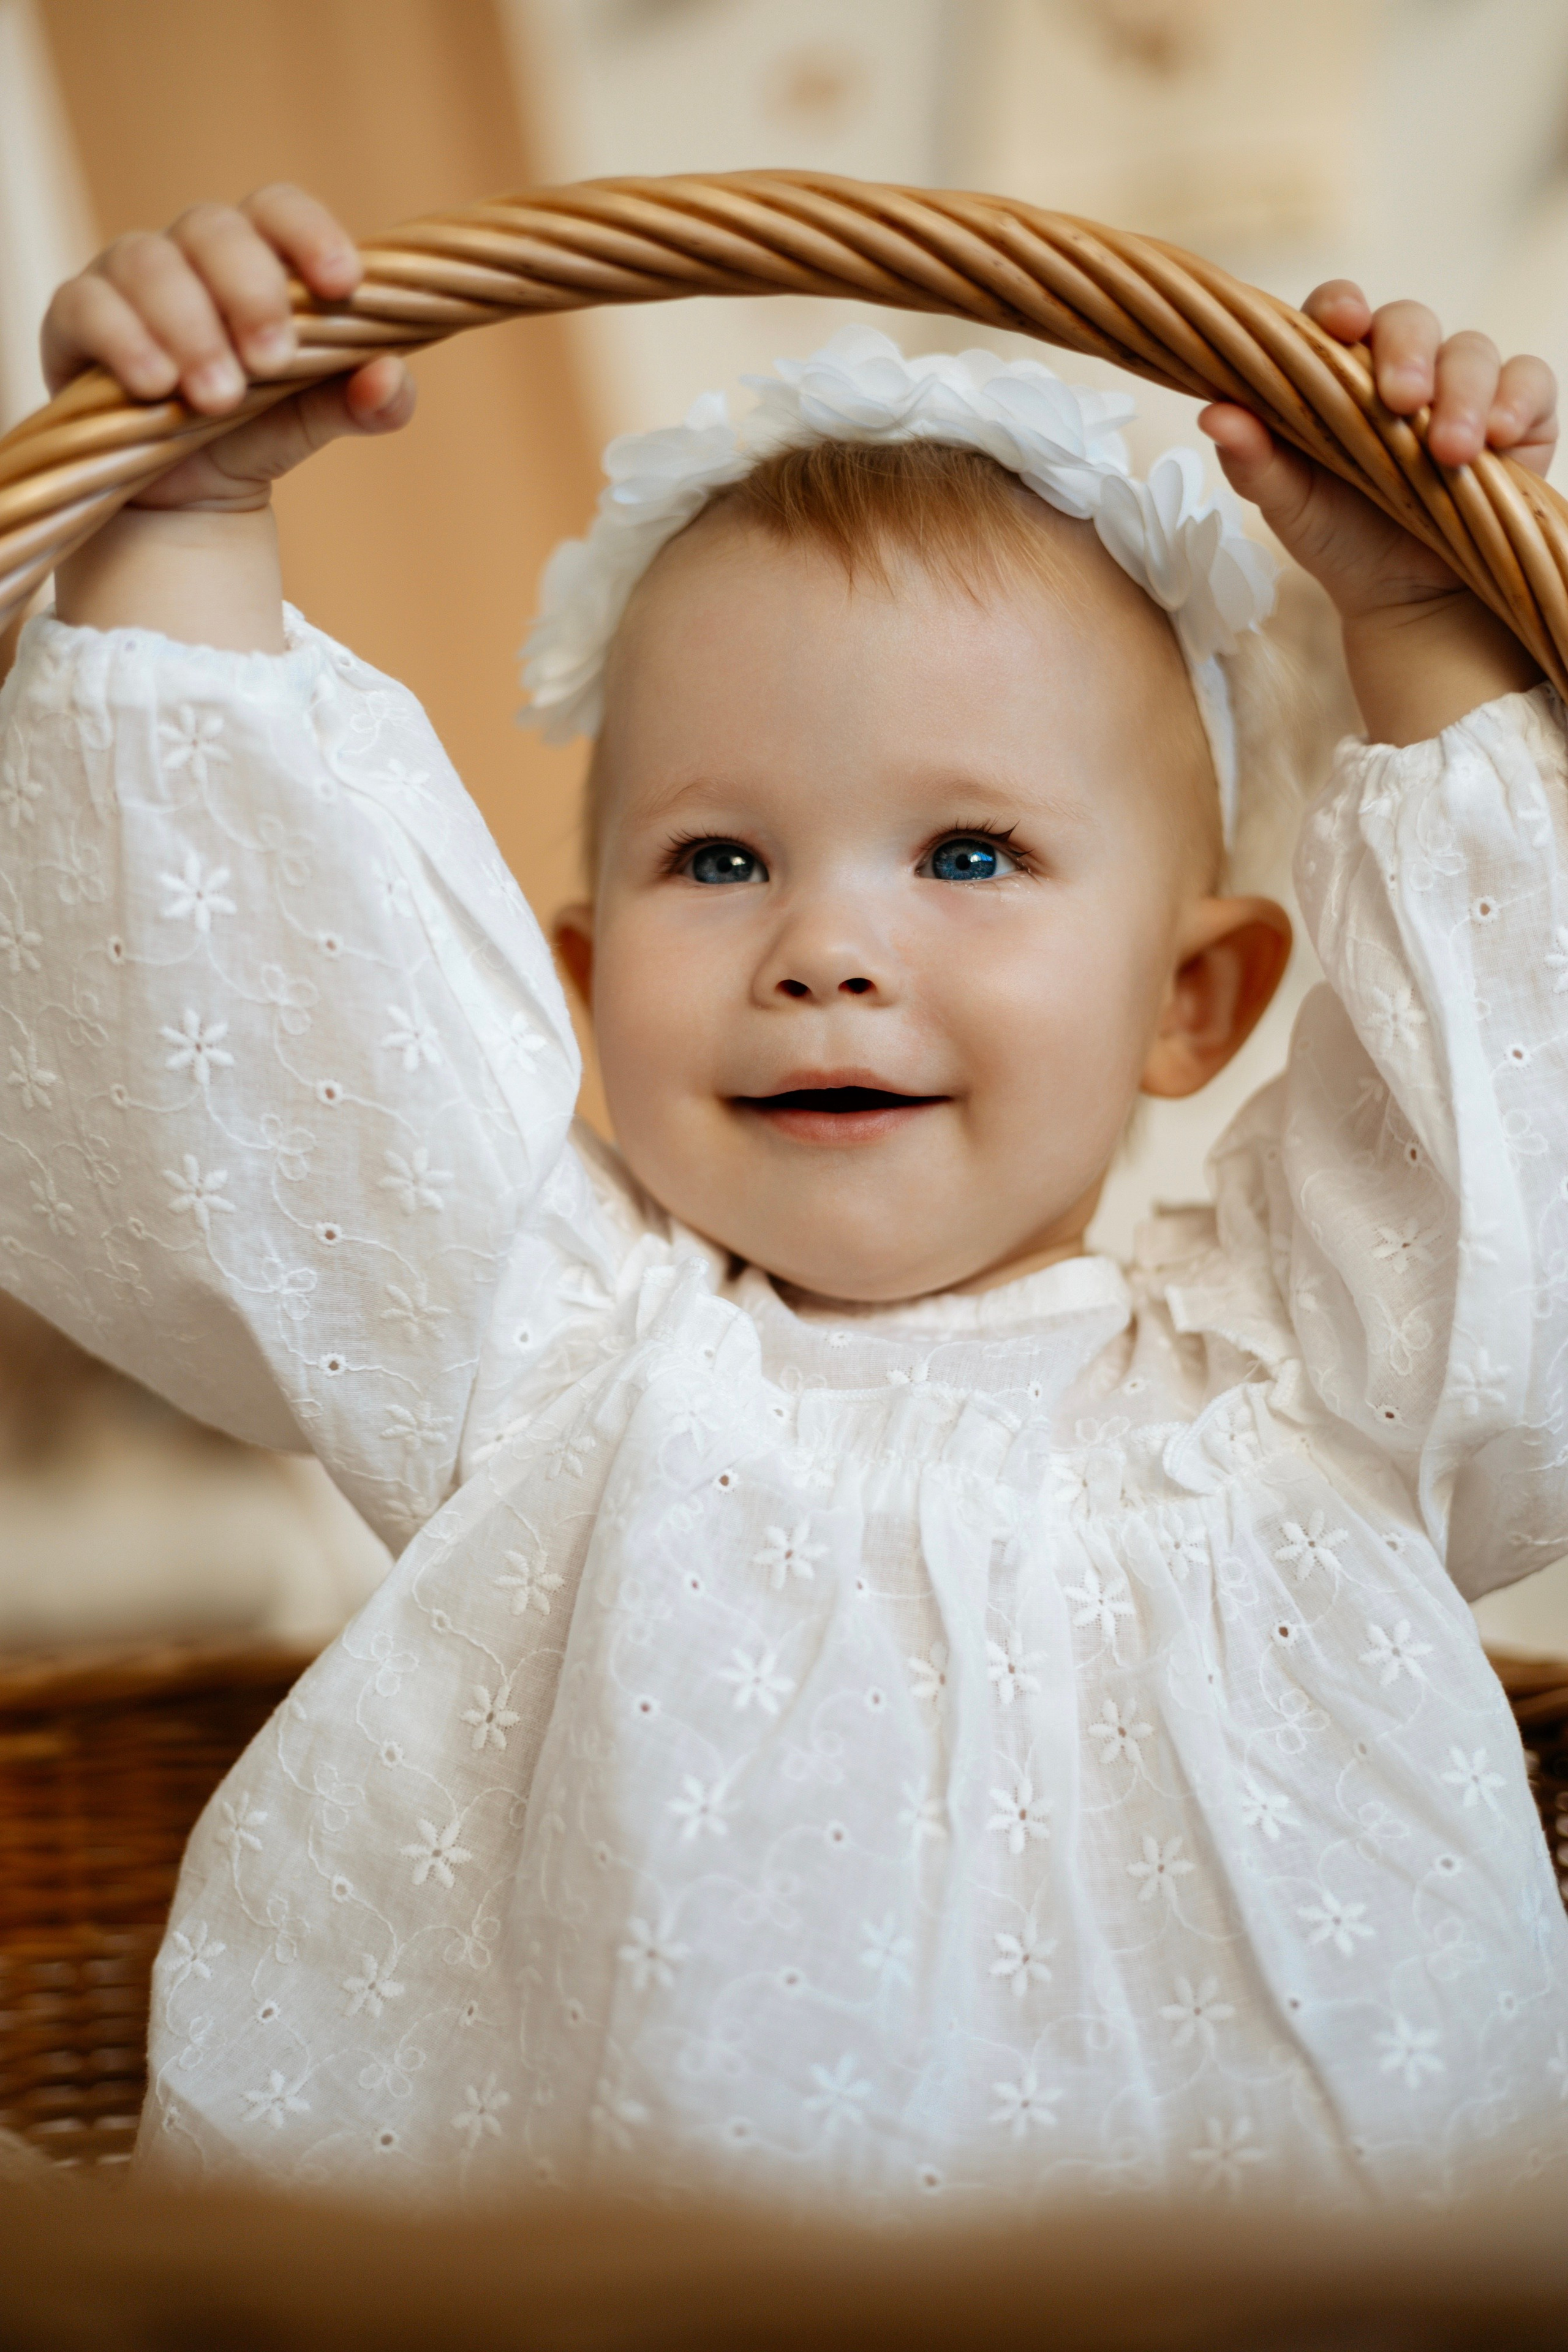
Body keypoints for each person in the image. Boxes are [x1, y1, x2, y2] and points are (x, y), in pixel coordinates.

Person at [3, 185, 1566, 2208]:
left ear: (1195, 998)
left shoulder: (1320, 1389)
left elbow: (1519, 1126)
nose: (827, 945)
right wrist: (185, 512)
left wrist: (1434, 627)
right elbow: (257, 1026)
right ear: (580, 988)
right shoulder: (552, 1345)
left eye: (974, 854)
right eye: (719, 861)